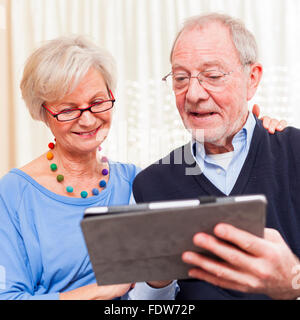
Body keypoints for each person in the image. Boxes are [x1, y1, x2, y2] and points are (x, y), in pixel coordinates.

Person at [132, 13, 300, 300]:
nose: (194, 94)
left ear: (252, 79)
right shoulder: (150, 184)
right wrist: (156, 281)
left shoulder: (295, 154)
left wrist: (294, 284)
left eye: (212, 76)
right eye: (181, 78)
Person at [0, 35, 176, 300]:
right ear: (43, 113)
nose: (88, 119)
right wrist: (97, 292)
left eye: (97, 102)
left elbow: (154, 298)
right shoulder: (14, 192)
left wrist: (161, 278)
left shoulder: (134, 181)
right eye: (69, 109)